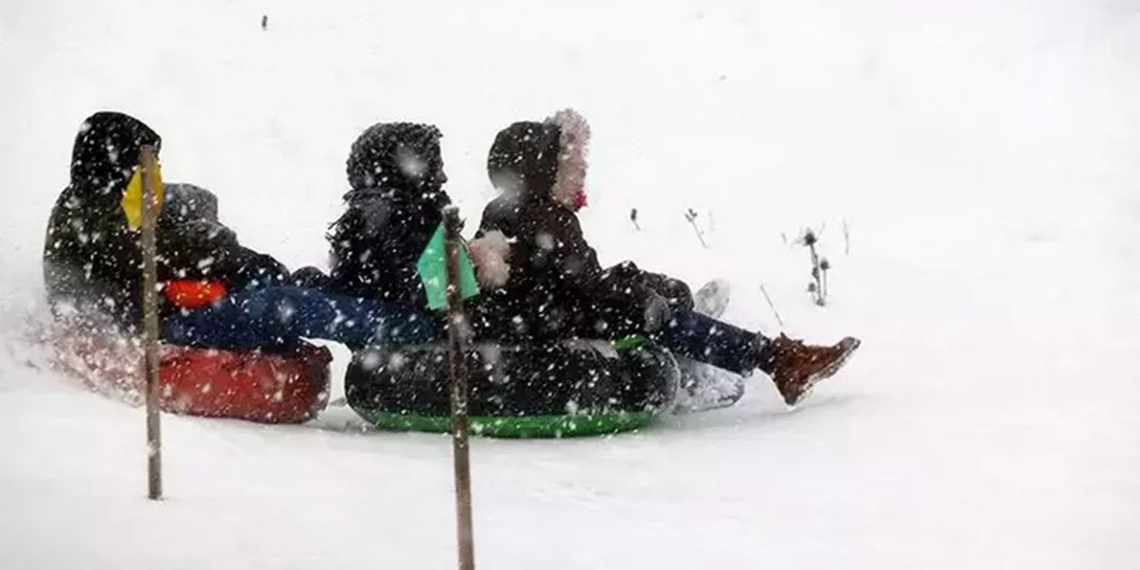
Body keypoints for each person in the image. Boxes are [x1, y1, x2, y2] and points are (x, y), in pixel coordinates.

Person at [468, 109, 860, 406]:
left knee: (655, 297)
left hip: (539, 314)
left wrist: (633, 280)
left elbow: (559, 274)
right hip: (554, 320)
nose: (578, 171)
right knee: (653, 312)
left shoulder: (502, 210)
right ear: (543, 167)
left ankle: (715, 344)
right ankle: (777, 361)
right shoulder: (546, 215)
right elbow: (584, 281)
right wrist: (640, 289)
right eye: (566, 163)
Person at [43, 111, 433, 351]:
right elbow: (151, 253)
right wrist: (217, 245)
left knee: (272, 284)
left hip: (172, 305)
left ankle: (351, 309)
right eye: (150, 162)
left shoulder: (116, 202)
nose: (156, 171)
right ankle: (391, 324)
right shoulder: (93, 213)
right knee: (283, 305)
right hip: (155, 321)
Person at [326, 122, 453, 313]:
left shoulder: (364, 217)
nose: (444, 178)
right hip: (417, 334)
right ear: (406, 172)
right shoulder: (410, 218)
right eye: (434, 167)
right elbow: (435, 298)